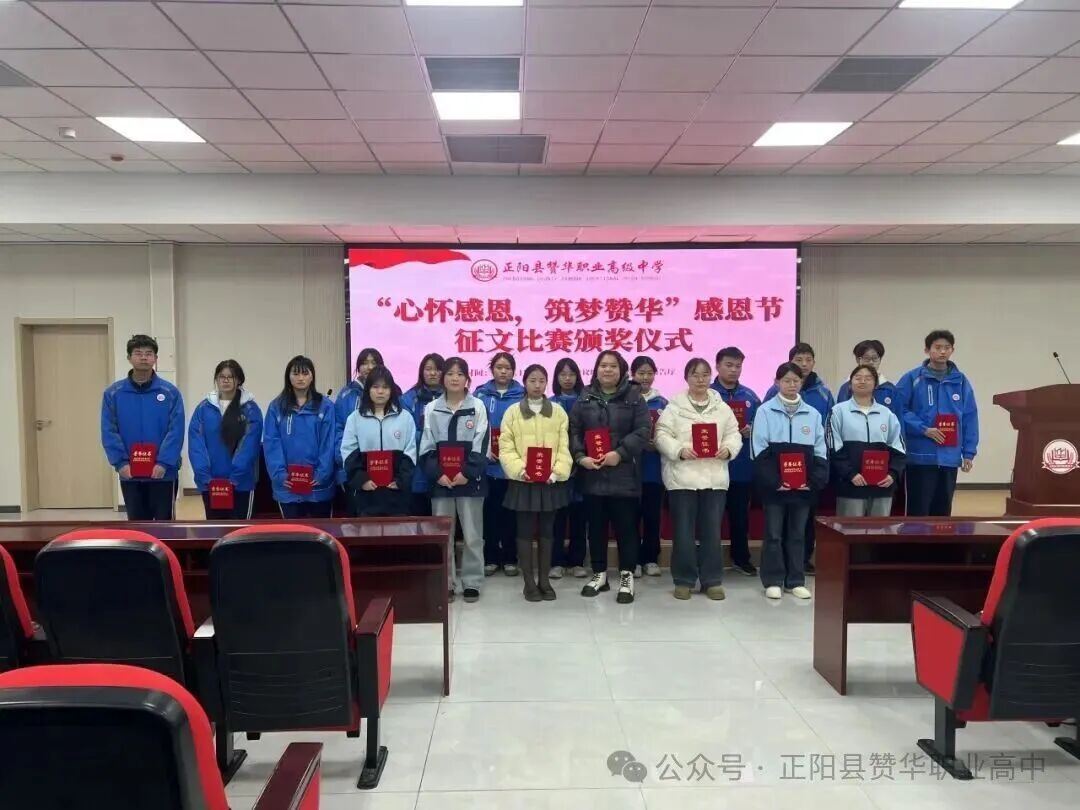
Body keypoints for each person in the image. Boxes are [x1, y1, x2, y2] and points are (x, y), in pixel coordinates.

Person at [655, 358, 742, 601]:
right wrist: (679, 450)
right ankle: (683, 580)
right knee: (683, 533)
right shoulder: (674, 407)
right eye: (695, 375)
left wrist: (728, 449)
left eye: (705, 375)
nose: (701, 379)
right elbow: (661, 434)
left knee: (712, 532)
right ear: (686, 378)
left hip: (714, 478)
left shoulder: (721, 408)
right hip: (682, 478)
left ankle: (712, 580)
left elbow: (734, 434)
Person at [569, 351, 650, 604]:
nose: (607, 370)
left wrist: (620, 453)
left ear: (621, 370)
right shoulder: (585, 397)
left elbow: (643, 430)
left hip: (624, 475)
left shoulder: (634, 396)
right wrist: (580, 456)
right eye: (603, 365)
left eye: (613, 366)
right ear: (596, 369)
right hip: (592, 475)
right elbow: (574, 430)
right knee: (596, 528)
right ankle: (599, 574)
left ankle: (627, 576)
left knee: (627, 529)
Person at [751, 363, 828, 601]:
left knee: (797, 534)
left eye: (796, 380)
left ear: (801, 383)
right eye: (786, 380)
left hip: (803, 488)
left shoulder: (813, 414)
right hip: (775, 487)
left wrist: (812, 482)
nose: (791, 384)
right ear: (777, 383)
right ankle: (773, 580)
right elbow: (759, 450)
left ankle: (795, 580)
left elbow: (820, 451)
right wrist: (776, 481)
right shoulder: (764, 411)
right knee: (774, 534)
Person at [499, 364, 572, 602]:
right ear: (525, 382)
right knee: (524, 532)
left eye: (541, 380)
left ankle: (545, 581)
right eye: (532, 380)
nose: (537, 385)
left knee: (548, 533)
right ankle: (529, 583)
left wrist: (556, 473)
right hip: (523, 482)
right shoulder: (512, 412)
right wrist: (521, 471)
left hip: (550, 482)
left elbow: (564, 447)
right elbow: (505, 447)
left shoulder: (558, 412)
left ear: (547, 383)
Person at [419, 357, 489, 603]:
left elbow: (482, 445)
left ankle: (472, 582)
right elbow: (426, 446)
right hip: (441, 483)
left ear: (467, 378)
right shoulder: (431, 408)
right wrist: (438, 474)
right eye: (450, 373)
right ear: (443, 377)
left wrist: (466, 473)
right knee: (443, 535)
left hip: (470, 482)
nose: (455, 378)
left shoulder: (478, 406)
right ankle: (446, 582)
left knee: (472, 535)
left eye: (460, 374)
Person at [765, 343, 833, 574]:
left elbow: (825, 436)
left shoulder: (823, 394)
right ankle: (776, 573)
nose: (804, 364)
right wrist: (774, 478)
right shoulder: (770, 399)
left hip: (807, 476)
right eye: (799, 359)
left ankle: (800, 566)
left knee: (802, 525)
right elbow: (761, 446)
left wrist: (815, 477)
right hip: (777, 477)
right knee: (776, 529)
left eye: (808, 359)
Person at [101, 334, 185, 521]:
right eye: (138, 353)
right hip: (130, 472)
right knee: (137, 524)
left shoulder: (170, 393)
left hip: (163, 473)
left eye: (149, 353)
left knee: (164, 524)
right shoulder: (113, 393)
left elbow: (176, 431)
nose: (144, 357)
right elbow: (109, 430)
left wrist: (163, 463)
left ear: (156, 358)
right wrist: (121, 463)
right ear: (129, 358)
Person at [896, 330, 979, 517]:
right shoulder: (912, 378)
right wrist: (923, 429)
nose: (942, 351)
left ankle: (940, 538)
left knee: (943, 511)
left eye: (947, 348)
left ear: (952, 350)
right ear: (927, 350)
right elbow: (899, 410)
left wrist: (968, 453)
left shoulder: (961, 381)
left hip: (949, 457)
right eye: (938, 347)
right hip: (920, 456)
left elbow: (969, 417)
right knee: (919, 510)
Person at [187, 359, 263, 519]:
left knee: (240, 531)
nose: (226, 380)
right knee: (214, 529)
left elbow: (249, 446)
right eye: (222, 376)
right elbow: (196, 444)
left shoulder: (250, 409)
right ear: (216, 379)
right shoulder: (204, 408)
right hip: (211, 484)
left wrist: (235, 477)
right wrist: (204, 476)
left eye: (231, 376)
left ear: (239, 380)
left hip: (240, 484)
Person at [263, 355, 337, 518]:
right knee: (293, 532)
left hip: (318, 486)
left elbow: (329, 442)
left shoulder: (326, 406)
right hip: (288, 486)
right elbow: (271, 443)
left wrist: (322, 473)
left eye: (305, 373)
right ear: (288, 377)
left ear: (312, 376)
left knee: (321, 531)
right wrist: (280, 475)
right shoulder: (276, 407)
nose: (300, 378)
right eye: (295, 374)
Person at [829, 365, 906, 517]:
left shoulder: (887, 414)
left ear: (876, 384)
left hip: (882, 486)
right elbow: (833, 447)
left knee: (879, 530)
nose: (862, 381)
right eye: (858, 378)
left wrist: (892, 474)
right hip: (850, 486)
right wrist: (850, 474)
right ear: (850, 384)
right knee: (850, 529)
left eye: (868, 378)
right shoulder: (838, 411)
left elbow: (899, 449)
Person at [710, 347, 761, 576]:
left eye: (738, 366)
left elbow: (763, 427)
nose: (733, 370)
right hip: (711, 467)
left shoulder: (750, 397)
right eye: (728, 365)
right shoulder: (708, 394)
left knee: (740, 518)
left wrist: (753, 430)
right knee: (710, 518)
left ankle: (741, 558)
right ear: (717, 366)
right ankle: (708, 560)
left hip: (741, 468)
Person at [341, 366, 417, 517]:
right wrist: (361, 480)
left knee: (398, 531)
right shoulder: (355, 419)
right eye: (375, 387)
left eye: (385, 387)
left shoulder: (405, 418)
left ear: (391, 390)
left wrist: (400, 481)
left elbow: (411, 452)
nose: (380, 391)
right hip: (366, 494)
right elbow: (348, 452)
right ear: (368, 390)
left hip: (397, 493)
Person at [475, 352, 525, 576]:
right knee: (489, 515)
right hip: (488, 467)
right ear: (492, 369)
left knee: (511, 515)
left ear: (514, 371)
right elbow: (475, 428)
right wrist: (485, 452)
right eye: (499, 367)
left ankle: (511, 558)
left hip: (512, 468)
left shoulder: (522, 395)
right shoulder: (480, 394)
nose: (503, 371)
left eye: (507, 368)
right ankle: (491, 558)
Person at [550, 357, 588, 580]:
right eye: (563, 374)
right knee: (557, 518)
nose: (567, 378)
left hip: (582, 466)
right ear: (556, 377)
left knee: (579, 517)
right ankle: (556, 562)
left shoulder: (586, 402)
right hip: (555, 467)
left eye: (571, 374)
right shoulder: (549, 403)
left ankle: (577, 561)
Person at [631, 355, 668, 578]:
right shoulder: (626, 401)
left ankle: (651, 558)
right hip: (629, 470)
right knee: (631, 518)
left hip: (654, 470)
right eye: (641, 373)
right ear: (632, 375)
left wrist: (659, 443)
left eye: (649, 373)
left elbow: (672, 433)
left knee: (652, 516)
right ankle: (633, 560)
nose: (645, 377)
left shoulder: (663, 403)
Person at [400, 353, 445, 516]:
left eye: (437, 369)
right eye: (428, 369)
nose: (433, 373)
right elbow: (406, 433)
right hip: (417, 469)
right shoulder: (408, 398)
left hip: (445, 467)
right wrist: (431, 438)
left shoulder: (452, 397)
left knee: (443, 522)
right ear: (421, 372)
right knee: (418, 521)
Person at [334, 348, 384, 488]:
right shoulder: (346, 394)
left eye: (374, 363)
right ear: (358, 367)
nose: (369, 367)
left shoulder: (392, 392)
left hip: (382, 466)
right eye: (365, 363)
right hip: (352, 467)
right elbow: (338, 429)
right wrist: (343, 458)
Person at [836, 340, 902, 419]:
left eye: (875, 358)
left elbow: (898, 421)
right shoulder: (847, 388)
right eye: (866, 358)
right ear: (858, 360)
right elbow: (840, 418)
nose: (871, 362)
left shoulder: (890, 390)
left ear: (880, 359)